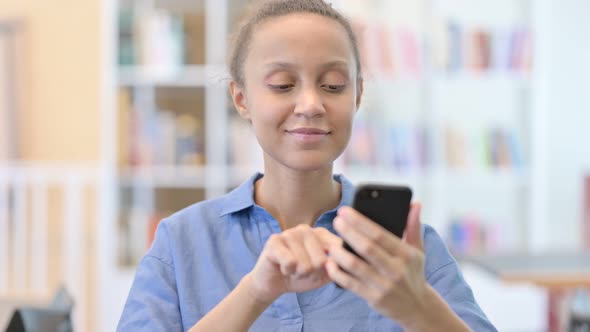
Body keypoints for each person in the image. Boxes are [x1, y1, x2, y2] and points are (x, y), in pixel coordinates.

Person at [117, 0, 497, 331]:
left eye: (333, 85)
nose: (311, 104)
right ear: (241, 98)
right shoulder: (180, 242)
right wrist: (255, 292)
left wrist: (420, 310)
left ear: (358, 95)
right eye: (283, 85)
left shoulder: (406, 250)